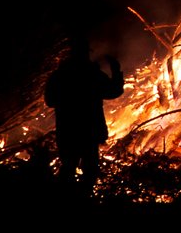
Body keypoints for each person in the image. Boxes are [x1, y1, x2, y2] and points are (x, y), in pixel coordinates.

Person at [44, 35, 124, 191]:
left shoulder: (59, 75)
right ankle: (82, 200)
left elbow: (50, 101)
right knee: (89, 171)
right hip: (89, 131)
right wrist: (116, 71)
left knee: (68, 168)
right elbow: (113, 91)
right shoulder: (91, 74)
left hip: (68, 131)